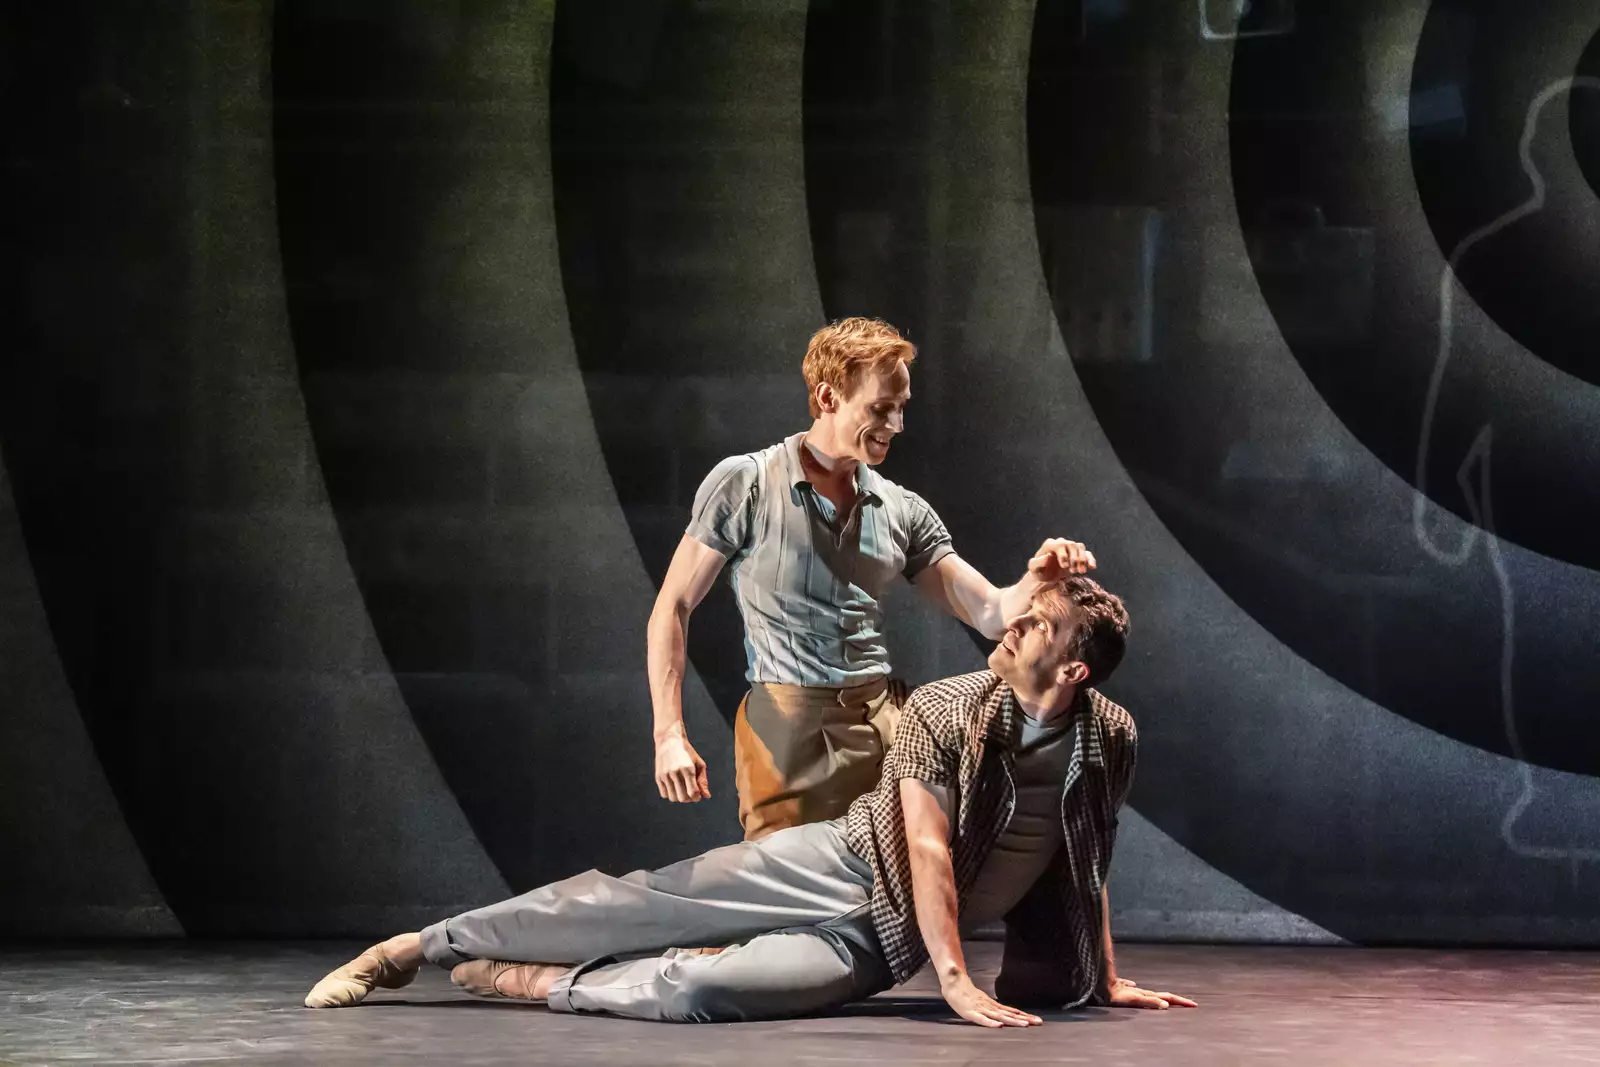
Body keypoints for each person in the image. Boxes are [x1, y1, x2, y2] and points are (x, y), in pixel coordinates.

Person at [304, 576, 1196, 1025]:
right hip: (841, 860)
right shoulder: (947, 706)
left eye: (1033, 623)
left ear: (1071, 670)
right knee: (635, 899)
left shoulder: (1107, 732)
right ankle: (412, 948)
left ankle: (542, 982)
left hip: (879, 937)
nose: (1010, 625)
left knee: (706, 987)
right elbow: (925, 848)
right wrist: (956, 982)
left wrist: (1102, 972)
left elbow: (1088, 852)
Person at [650, 316, 1095, 839]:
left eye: (902, 408)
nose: (897, 425)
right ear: (828, 396)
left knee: (894, 891)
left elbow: (992, 614)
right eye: (881, 408)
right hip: (787, 733)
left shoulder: (900, 508)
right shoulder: (747, 483)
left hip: (885, 728)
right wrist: (668, 734)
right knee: (787, 892)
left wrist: (1035, 578)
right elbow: (673, 607)